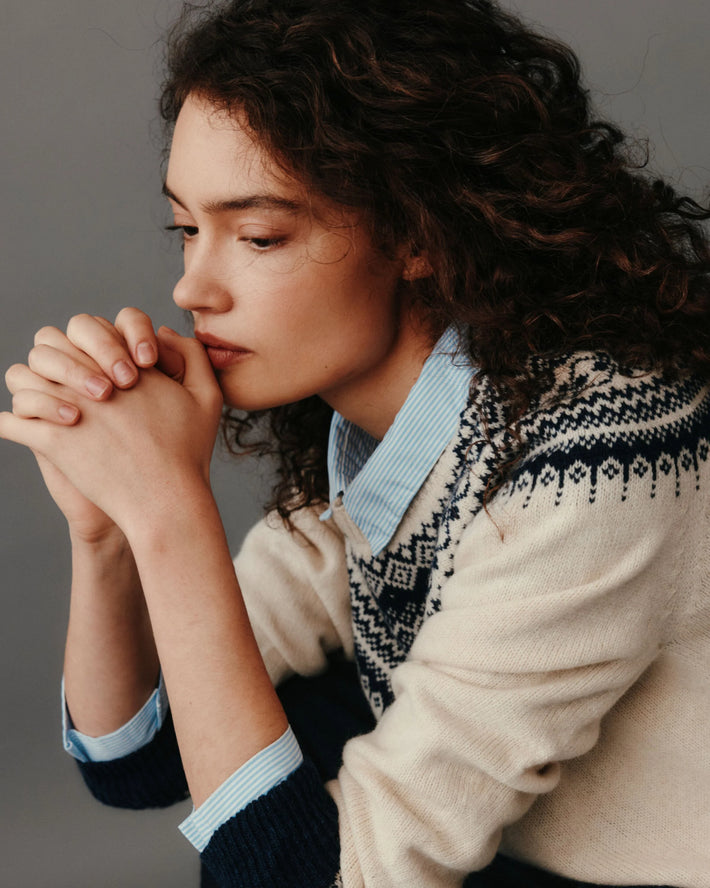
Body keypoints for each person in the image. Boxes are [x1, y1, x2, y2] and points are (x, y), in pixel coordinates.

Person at [1, 0, 709, 885]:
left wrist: (167, 509)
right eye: (188, 229)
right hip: (501, 860)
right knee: (262, 747)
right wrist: (105, 528)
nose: (192, 287)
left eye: (258, 236)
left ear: (416, 232)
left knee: (270, 837)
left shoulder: (596, 461)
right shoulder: (369, 436)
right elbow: (143, 760)